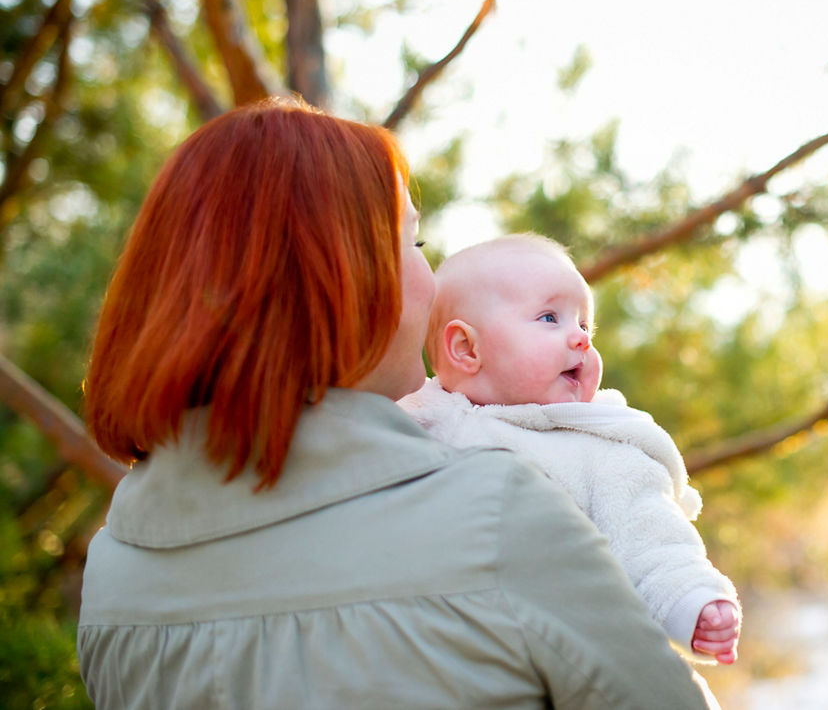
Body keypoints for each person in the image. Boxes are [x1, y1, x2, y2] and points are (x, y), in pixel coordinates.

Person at [76, 100, 714, 709]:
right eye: (413, 243)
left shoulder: (113, 570)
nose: (432, 280)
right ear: (338, 278)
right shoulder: (495, 513)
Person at [398, 234, 742, 665]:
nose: (580, 339)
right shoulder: (416, 422)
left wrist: (694, 601)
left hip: (567, 657)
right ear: (467, 348)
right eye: (549, 318)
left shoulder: (600, 449)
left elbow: (653, 540)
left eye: (583, 324)